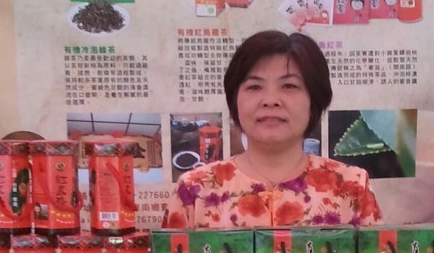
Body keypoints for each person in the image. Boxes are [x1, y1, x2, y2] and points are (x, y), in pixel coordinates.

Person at [162, 30, 382, 229]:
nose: (270, 100)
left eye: (289, 86)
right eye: (254, 87)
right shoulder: (193, 190)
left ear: (314, 100)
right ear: (235, 100)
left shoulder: (352, 186)